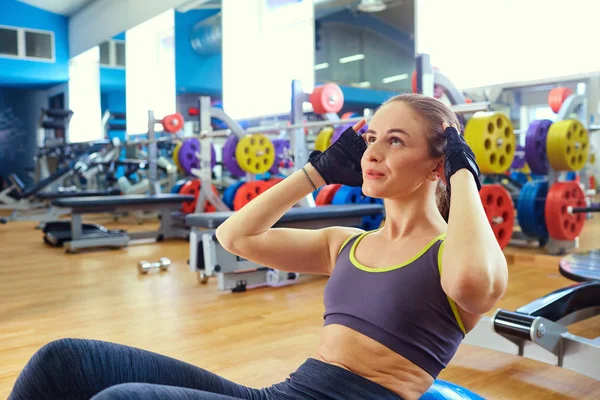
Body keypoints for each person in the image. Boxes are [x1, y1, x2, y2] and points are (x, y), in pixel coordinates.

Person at [8, 93, 508, 400]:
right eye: (371, 137)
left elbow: (471, 282)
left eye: (395, 141)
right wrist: (314, 171)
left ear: (436, 163)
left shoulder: (454, 256)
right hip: (288, 394)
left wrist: (464, 173)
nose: (372, 152)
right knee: (66, 360)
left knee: (124, 398)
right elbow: (233, 237)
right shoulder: (346, 245)